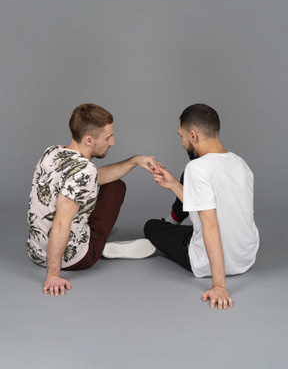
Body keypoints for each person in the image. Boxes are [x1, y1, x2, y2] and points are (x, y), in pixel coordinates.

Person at [27, 103, 159, 296]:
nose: (112, 142)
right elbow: (62, 222)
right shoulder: (85, 171)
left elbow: (93, 177)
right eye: (108, 137)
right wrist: (53, 275)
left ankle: (85, 232)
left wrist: (134, 161)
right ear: (89, 140)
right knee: (116, 187)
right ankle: (99, 245)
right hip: (74, 259)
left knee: (100, 184)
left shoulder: (52, 152)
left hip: (35, 253)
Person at [144, 104, 259, 310]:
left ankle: (173, 233)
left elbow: (211, 226)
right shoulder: (241, 164)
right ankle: (178, 226)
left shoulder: (196, 168)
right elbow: (214, 209)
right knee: (200, 223)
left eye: (182, 136)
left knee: (152, 227)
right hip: (245, 258)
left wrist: (219, 285)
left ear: (193, 135)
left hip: (209, 264)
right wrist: (172, 185)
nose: (181, 143)